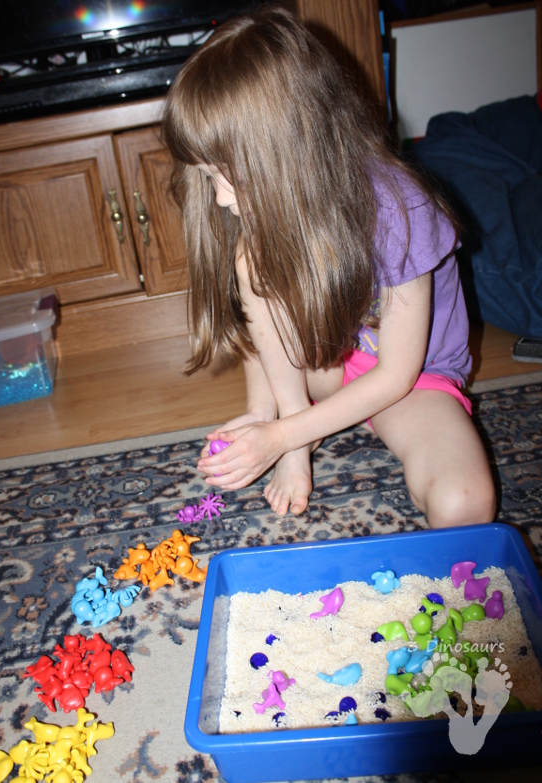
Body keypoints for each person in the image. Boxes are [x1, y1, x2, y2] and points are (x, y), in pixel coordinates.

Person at [161, 5, 496, 528]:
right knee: (252, 260)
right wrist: (266, 416)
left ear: (295, 152)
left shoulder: (399, 209)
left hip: (410, 381)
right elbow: (267, 333)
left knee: (465, 501)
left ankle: (301, 428)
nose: (223, 199)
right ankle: (299, 429)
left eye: (231, 176)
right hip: (325, 368)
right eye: (210, 176)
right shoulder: (268, 215)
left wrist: (280, 436)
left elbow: (396, 375)